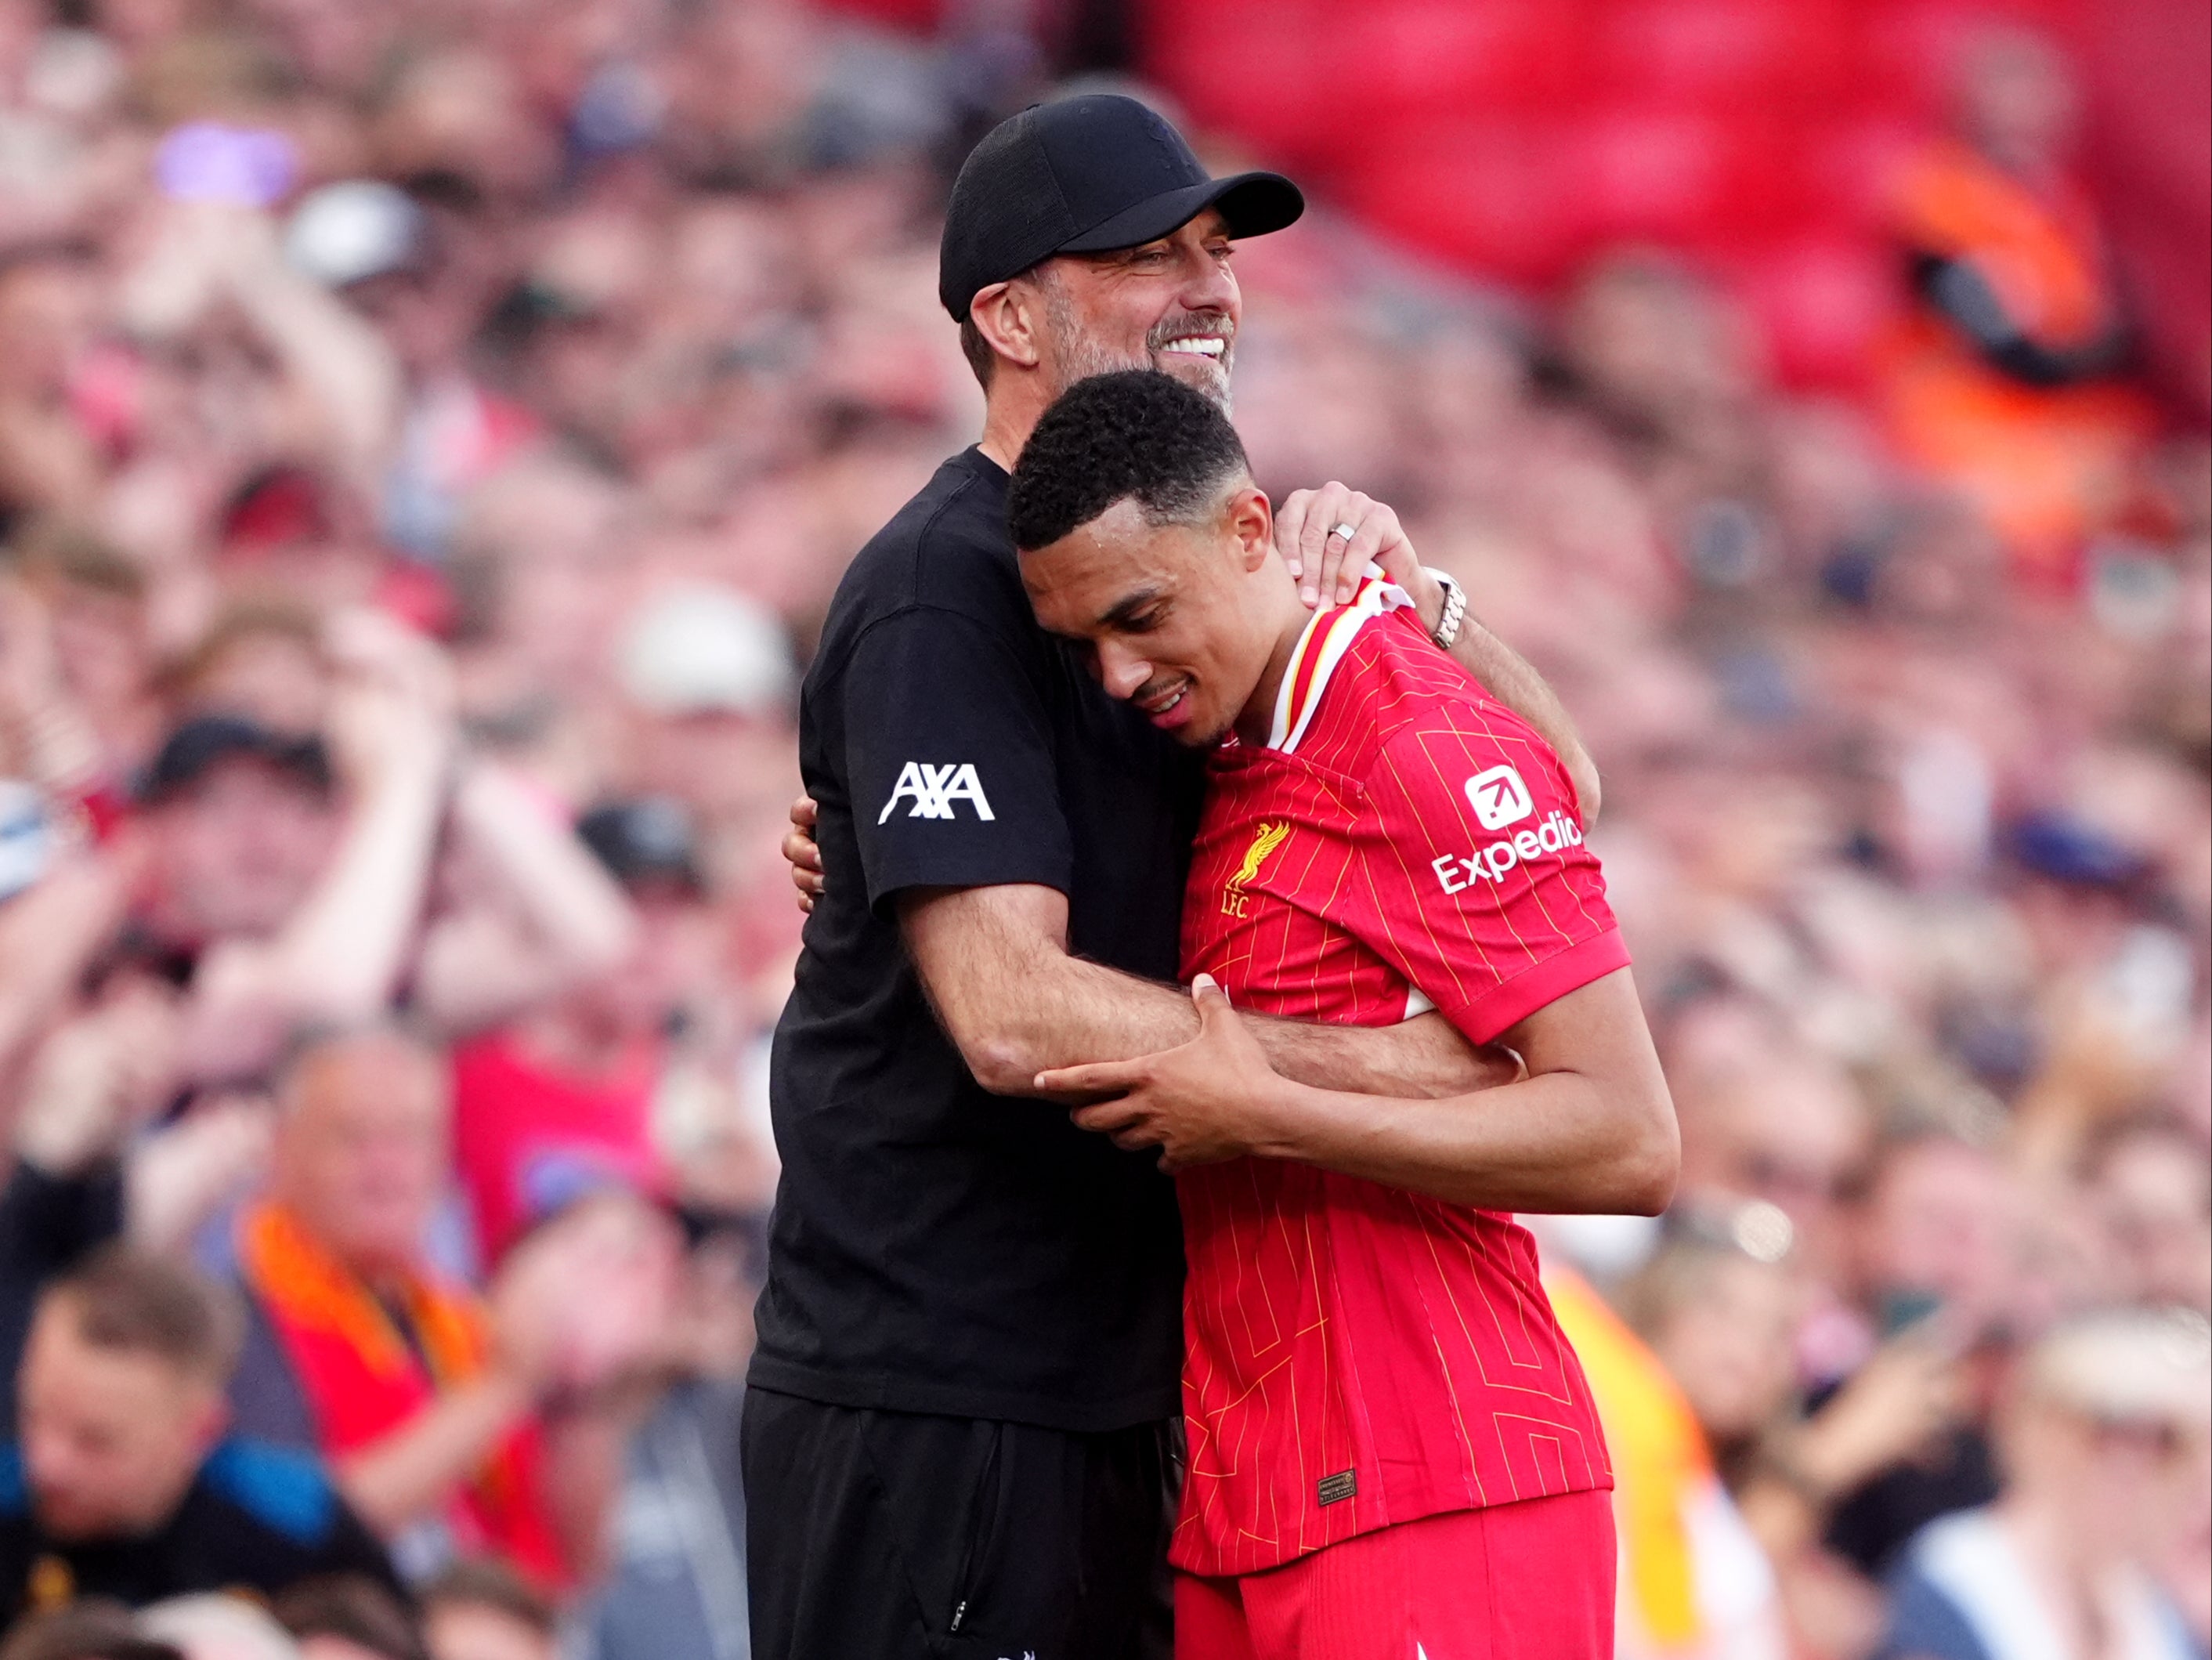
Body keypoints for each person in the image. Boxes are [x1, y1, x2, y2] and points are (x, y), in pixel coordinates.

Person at [747, 92, 1601, 1659]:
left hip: (1146, 1393)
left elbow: (1560, 793)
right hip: (946, 1385)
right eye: (1149, 255)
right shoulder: (945, 591)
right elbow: (1008, 1010)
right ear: (1007, 314)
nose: (1209, 285)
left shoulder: (1189, 574)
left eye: (1217, 250)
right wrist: (1402, 1068)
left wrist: (1426, 606)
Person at [1007, 368, 1675, 1658]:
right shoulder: (1238, 732)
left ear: (1249, 532)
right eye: (1083, 641)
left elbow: (1628, 1137)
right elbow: (1563, 780)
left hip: (1435, 1475)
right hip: (1254, 1487)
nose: (1117, 671)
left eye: (1139, 614)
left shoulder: (1402, 731)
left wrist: (1267, 1110)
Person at [226, 1027, 675, 1589]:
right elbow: (306, 1524)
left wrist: (584, 1398)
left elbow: (579, 1562)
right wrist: (506, 1383)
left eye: (409, 1137)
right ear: (282, 1150)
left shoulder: (458, 1317)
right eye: (352, 1136)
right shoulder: (233, 1311)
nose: (385, 1168)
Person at [0, 1246, 399, 1625]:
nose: (47, 1462)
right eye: (35, 1416)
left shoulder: (299, 1529)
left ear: (200, 1432)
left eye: (95, 1441)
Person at [1878, 1307, 2210, 1660]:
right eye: (2107, 1427)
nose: (2130, 1461)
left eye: (2164, 1442)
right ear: (2036, 1427)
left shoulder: (2152, 1608)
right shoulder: (1957, 1575)